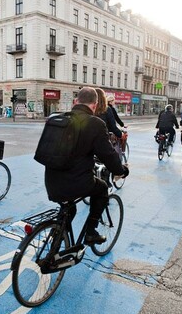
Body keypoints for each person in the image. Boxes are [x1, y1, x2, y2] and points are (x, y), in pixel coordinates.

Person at [43, 87, 129, 245]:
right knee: (102, 188)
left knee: (70, 207)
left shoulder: (60, 119)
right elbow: (108, 155)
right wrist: (121, 170)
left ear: (76, 102)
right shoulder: (95, 123)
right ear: (95, 105)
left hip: (51, 180)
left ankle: (58, 238)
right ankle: (91, 232)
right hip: (75, 182)